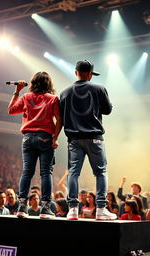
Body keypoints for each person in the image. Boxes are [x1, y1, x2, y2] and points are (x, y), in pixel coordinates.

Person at [59, 60, 117, 221]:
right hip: (94, 138)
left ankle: (72, 209)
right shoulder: (99, 89)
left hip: (74, 139)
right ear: (90, 74)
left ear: (75, 72)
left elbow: (61, 116)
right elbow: (107, 110)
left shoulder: (64, 92)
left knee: (73, 173)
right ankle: (100, 209)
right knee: (100, 172)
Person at [8, 71, 62, 219]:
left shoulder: (26, 97)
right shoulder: (53, 99)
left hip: (27, 138)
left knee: (27, 172)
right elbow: (59, 119)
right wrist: (55, 138)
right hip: (45, 137)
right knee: (45, 173)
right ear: (48, 84)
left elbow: (11, 110)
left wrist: (17, 91)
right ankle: (45, 209)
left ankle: (21, 207)